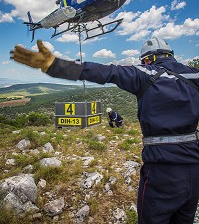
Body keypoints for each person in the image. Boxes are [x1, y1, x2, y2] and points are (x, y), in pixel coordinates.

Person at [10, 37, 199, 224]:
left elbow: (106, 72)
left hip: (162, 170)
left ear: (147, 59)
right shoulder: (194, 75)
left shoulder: (146, 73)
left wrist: (54, 64)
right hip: (195, 168)